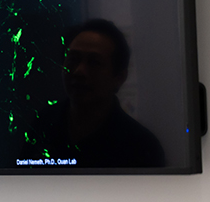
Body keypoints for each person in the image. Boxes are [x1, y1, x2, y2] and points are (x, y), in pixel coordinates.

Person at [19, 18, 165, 167]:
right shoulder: (43, 125)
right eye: (73, 59)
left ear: (119, 77)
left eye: (94, 62)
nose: (79, 71)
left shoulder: (141, 147)